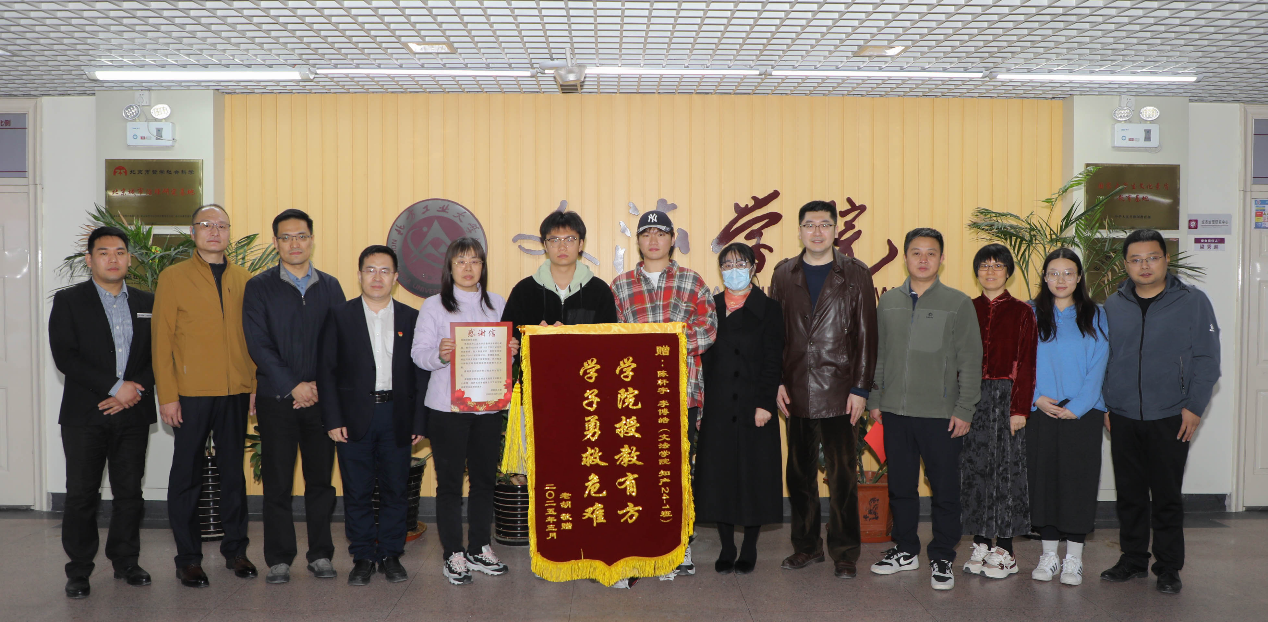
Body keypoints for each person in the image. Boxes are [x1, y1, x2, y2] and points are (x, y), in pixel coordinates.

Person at [1099, 229, 1220, 595]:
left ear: (1166, 259)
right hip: (1122, 414)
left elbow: (1207, 359)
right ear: (1125, 265)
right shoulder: (1113, 304)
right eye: (1136, 260)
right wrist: (1105, 404)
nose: (1145, 266)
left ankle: (1168, 567)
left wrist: (1194, 407)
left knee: (1167, 496)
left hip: (1171, 414)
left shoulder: (1193, 301)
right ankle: (1133, 559)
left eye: (1152, 257)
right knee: (1130, 494)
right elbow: (1103, 358)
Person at [868, 227, 982, 591]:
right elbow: (880, 355)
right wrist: (875, 399)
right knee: (901, 487)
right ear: (905, 257)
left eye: (931, 253)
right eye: (916, 252)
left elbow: (971, 359)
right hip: (895, 412)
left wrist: (964, 408)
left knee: (945, 490)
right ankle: (905, 550)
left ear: (942, 259)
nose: (923, 259)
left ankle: (943, 555)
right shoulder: (889, 301)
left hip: (941, 415)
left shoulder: (958, 303)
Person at [769, 200, 878, 580]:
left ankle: (845, 552)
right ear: (799, 231)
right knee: (799, 476)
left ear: (836, 230)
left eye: (825, 225)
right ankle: (806, 547)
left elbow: (867, 335)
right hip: (796, 387)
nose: (817, 232)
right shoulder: (784, 274)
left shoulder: (855, 274)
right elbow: (774, 336)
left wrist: (861, 389)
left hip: (840, 390)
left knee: (843, 476)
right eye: (810, 225)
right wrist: (776, 381)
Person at [152, 204, 258, 588]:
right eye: (206, 225)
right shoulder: (173, 277)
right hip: (191, 393)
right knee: (187, 475)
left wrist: (253, 386)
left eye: (222, 226)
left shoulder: (245, 279)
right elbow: (161, 341)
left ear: (229, 232)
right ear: (193, 231)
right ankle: (188, 559)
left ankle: (236, 551)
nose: (215, 231)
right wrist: (168, 395)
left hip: (235, 391)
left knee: (233, 475)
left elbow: (254, 338)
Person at [610, 209, 718, 578]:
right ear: (638, 242)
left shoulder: (693, 281)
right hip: (635, 398)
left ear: (672, 240)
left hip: (683, 394)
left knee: (679, 470)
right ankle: (642, 541)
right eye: (646, 234)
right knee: (638, 469)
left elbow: (708, 329)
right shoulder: (620, 286)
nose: (653, 240)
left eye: (660, 233)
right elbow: (611, 339)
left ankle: (680, 543)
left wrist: (666, 339)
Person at [49, 226, 156, 599]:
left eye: (120, 252)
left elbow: (161, 353)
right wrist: (114, 387)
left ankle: (126, 561)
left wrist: (133, 390)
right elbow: (66, 356)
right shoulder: (69, 300)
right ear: (89, 259)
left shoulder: (147, 301)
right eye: (104, 252)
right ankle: (79, 570)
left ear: (129, 258)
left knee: (129, 493)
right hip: (85, 415)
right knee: (82, 494)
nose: (113, 259)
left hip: (133, 412)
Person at [242, 209, 346, 584]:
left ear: (312, 239)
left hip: (321, 401)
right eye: (286, 237)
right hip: (277, 400)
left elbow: (340, 342)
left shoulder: (331, 286)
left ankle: (321, 554)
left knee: (321, 483)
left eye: (301, 236)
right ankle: (279, 558)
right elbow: (258, 343)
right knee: (278, 483)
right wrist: (293, 385)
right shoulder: (259, 287)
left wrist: (316, 386)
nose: (294, 243)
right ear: (276, 243)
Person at [317, 246, 428, 586]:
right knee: (357, 490)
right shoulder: (340, 315)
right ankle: (363, 556)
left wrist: (418, 421)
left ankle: (392, 554)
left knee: (396, 489)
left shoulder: (411, 318)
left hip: (397, 415)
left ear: (395, 278)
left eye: (384, 271)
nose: (377, 277)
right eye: (370, 270)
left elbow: (421, 374)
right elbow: (327, 371)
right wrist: (333, 419)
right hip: (353, 418)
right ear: (359, 275)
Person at [412, 238, 518, 586]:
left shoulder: (497, 303)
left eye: (475, 261)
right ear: (450, 267)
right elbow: (418, 354)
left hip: (488, 407)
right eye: (460, 261)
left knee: (484, 480)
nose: (468, 268)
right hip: (447, 409)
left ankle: (479, 547)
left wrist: (511, 350)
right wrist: (440, 354)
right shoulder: (434, 305)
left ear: (483, 267)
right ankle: (453, 553)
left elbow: (504, 358)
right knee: (449, 483)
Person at [694, 242, 783, 575]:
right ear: (721, 271)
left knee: (753, 476)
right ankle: (727, 547)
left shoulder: (769, 308)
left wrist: (764, 404)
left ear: (753, 268)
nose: (734, 270)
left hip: (753, 407)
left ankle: (749, 547)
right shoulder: (710, 306)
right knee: (720, 477)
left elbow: (773, 360)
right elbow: (701, 359)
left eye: (741, 263)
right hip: (717, 406)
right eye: (727, 265)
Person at [1026, 247, 1109, 587]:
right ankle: (1048, 555)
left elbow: (1100, 362)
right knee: (1043, 481)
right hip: (1041, 410)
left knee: (1078, 482)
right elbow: (1019, 362)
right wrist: (1035, 398)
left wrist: (1079, 405)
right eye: (1054, 273)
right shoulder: (1030, 313)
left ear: (1078, 278)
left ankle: (1074, 558)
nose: (1061, 279)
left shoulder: (1096, 314)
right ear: (1045, 278)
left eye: (1068, 273)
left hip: (1082, 413)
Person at [960, 244, 1037, 580]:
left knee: (1005, 472)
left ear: (1008, 272)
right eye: (984, 265)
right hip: (970, 397)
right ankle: (980, 542)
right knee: (974, 469)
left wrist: (1019, 408)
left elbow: (1028, 363)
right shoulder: (966, 308)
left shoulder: (1022, 312)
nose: (990, 271)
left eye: (997, 265)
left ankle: (1005, 548)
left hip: (1007, 398)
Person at [501, 210, 619, 341]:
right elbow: (509, 340)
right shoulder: (523, 291)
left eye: (569, 239)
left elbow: (610, 343)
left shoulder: (599, 291)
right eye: (554, 240)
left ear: (580, 244)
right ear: (545, 245)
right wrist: (533, 338)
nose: (562, 247)